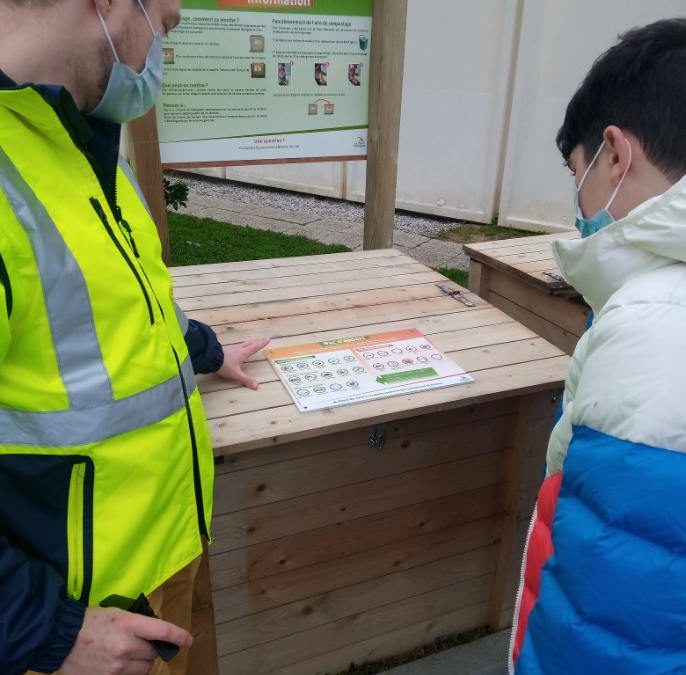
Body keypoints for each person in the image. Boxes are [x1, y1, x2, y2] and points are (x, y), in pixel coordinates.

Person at [0, 1, 269, 674]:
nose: (161, 50)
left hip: (159, 570)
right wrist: (49, 629)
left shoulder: (81, 143)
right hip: (73, 635)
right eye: (167, 23)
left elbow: (122, 305)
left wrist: (205, 350)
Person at [510, 17, 686, 675]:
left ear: (616, 155)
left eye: (578, 172)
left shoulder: (654, 332)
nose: (577, 201)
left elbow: (607, 627)